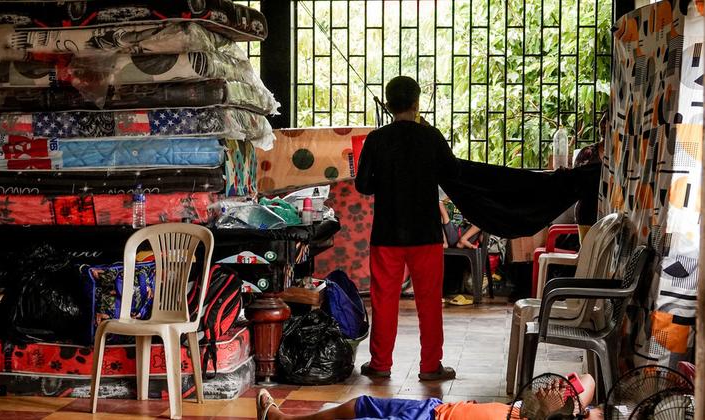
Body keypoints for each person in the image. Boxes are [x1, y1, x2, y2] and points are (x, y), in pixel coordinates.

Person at [355, 76, 460, 381]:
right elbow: (452, 173)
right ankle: (430, 366)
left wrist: (383, 182)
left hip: (386, 233)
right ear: (416, 104)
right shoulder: (431, 137)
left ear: (388, 106)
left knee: (384, 300)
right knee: (429, 302)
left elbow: (363, 184)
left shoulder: (376, 139)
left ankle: (380, 364)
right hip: (425, 233)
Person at [256, 374, 602, 420]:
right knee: (356, 405)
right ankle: (283, 419)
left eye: (557, 392)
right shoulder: (523, 412)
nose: (551, 386)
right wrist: (579, 409)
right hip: (434, 409)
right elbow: (587, 381)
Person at [573, 111, 607, 242]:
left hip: (612, 214)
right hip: (588, 213)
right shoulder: (587, 153)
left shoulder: (623, 155)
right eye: (603, 121)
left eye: (608, 122)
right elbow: (576, 183)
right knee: (589, 255)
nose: (604, 125)